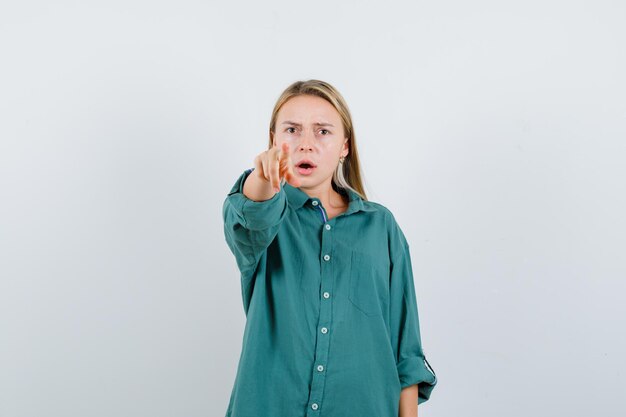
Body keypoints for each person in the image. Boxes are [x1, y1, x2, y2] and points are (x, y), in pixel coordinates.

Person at [222, 79, 437, 417]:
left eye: (322, 132)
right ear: (274, 142)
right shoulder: (265, 218)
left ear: (344, 147)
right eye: (292, 130)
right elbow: (250, 210)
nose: (306, 144)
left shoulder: (381, 227)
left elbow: (404, 347)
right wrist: (262, 175)